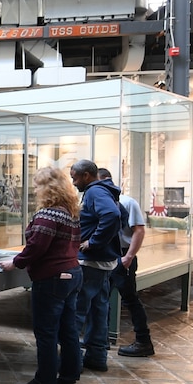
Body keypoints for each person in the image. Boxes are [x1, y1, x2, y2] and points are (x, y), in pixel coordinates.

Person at [1, 166, 84, 384]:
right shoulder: (71, 212)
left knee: (46, 332)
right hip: (73, 273)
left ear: (49, 188)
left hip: (52, 278)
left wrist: (15, 263)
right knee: (69, 332)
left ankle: (44, 382)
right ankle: (68, 380)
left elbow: (37, 246)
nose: (35, 190)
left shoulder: (48, 215)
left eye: (38, 186)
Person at [70, 159, 123, 372]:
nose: (73, 182)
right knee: (99, 310)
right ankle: (96, 356)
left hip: (91, 262)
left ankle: (70, 361)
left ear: (86, 176)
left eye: (75, 177)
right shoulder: (106, 191)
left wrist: (92, 242)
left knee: (77, 310)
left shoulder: (95, 192)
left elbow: (112, 215)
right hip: (103, 262)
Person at [98, 167, 153, 358]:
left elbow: (139, 230)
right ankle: (101, 339)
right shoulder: (102, 201)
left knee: (130, 299)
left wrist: (128, 257)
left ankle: (144, 341)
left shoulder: (128, 202)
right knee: (102, 297)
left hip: (122, 255)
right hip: (107, 254)